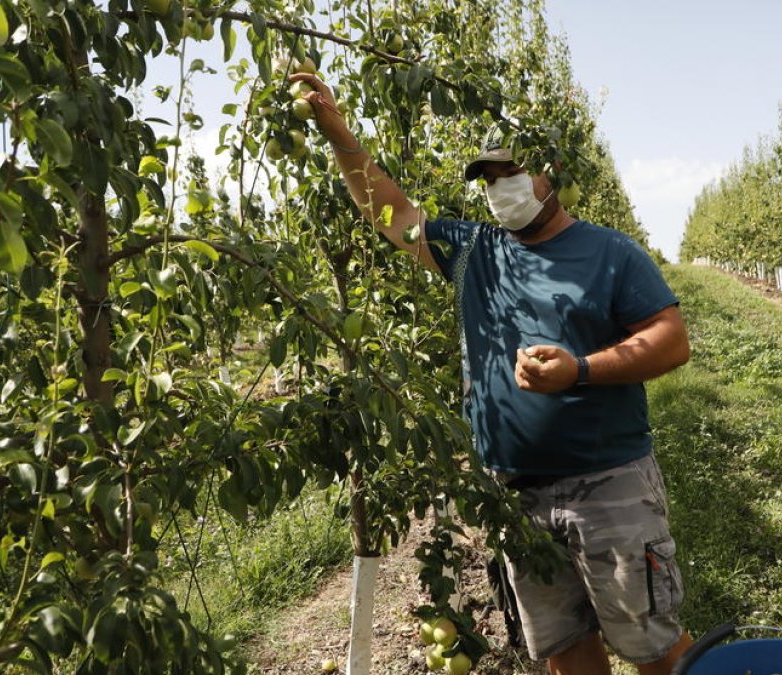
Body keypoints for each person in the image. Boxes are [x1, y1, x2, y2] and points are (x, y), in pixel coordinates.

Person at [292, 71, 694, 675]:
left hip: (610, 484)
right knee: (563, 649)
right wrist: (336, 131)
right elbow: (391, 212)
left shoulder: (611, 253)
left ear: (550, 173)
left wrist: (579, 370)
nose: (500, 189)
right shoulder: (474, 252)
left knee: (653, 647)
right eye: (489, 179)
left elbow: (672, 341)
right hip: (515, 496)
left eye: (512, 173)